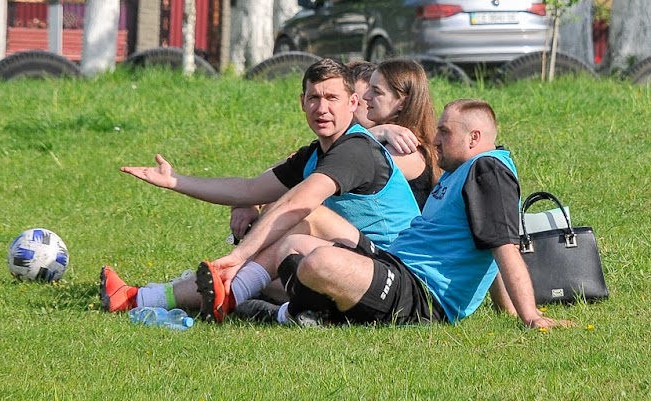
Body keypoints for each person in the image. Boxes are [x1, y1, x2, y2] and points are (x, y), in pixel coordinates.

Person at [101, 58, 420, 320]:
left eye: (332, 98)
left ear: (353, 103)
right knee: (264, 266)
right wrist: (176, 181)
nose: (322, 108)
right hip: (347, 264)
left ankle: (236, 298)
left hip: (391, 274)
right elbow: (250, 189)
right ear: (302, 102)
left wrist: (239, 254)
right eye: (314, 98)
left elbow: (301, 201)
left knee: (301, 215)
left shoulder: (356, 149)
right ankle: (137, 297)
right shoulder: (314, 153)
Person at [218, 98, 572, 330]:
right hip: (396, 267)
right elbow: (487, 245)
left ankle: (282, 310)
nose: (434, 140)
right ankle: (243, 295)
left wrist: (530, 316)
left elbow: (503, 246)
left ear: (474, 137)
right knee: (294, 240)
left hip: (422, 295)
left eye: (444, 133)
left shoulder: (488, 171)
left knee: (319, 263)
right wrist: (507, 310)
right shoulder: (462, 172)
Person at [360, 59, 439, 209]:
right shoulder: (385, 136)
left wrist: (376, 133)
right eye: (369, 88)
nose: (366, 96)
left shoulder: (403, 149)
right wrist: (377, 132)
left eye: (376, 91)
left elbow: (341, 165)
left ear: (403, 102)